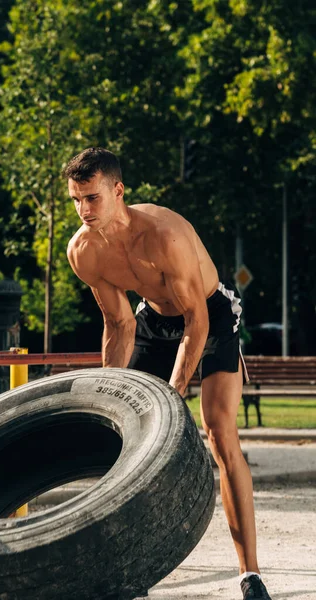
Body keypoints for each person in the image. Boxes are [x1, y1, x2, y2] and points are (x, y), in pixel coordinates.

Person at [65, 147, 272, 600]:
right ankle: (125, 569)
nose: (83, 210)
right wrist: (109, 396)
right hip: (154, 321)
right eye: (76, 200)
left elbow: (196, 321)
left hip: (210, 315)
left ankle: (250, 574)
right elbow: (119, 324)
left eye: (92, 198)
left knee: (218, 430)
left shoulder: (164, 234)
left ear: (118, 192)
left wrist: (173, 394)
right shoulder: (83, 251)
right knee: (125, 438)